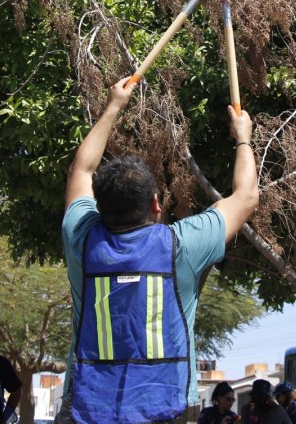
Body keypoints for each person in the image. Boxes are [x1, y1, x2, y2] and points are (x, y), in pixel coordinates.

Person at [56, 77, 259, 424]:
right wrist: (242, 138)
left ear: (99, 206)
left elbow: (81, 170)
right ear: (155, 203)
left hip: (85, 406)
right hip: (163, 405)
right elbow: (246, 197)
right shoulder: (180, 246)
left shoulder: (81, 237)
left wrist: (112, 108)